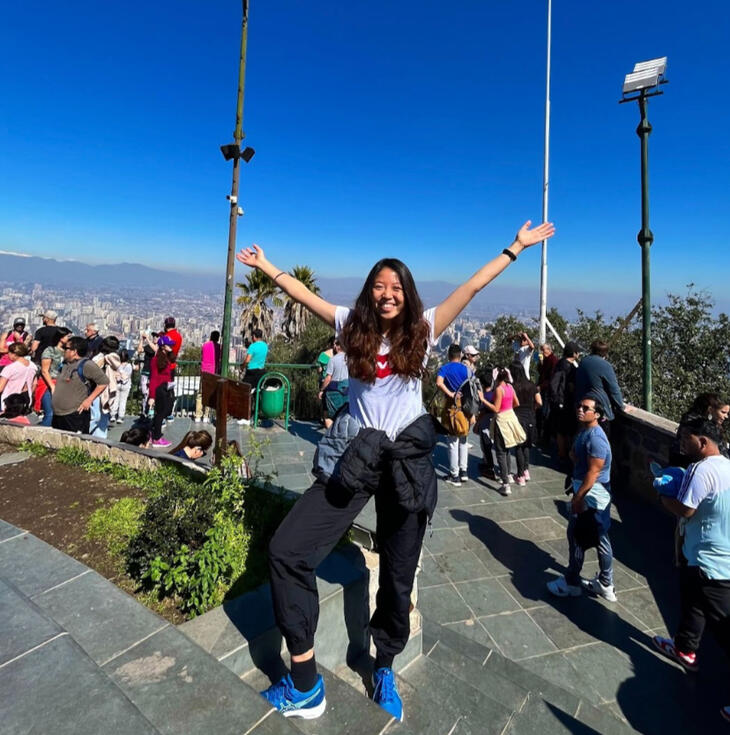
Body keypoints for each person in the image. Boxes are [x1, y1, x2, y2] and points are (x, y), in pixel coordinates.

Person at [235, 217, 555, 721]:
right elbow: (300, 295)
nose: (388, 294)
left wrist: (515, 247)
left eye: (396, 287)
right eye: (380, 286)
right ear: (369, 292)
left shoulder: (424, 330)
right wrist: (266, 265)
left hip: (406, 462)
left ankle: (384, 663)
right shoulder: (349, 324)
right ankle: (304, 682)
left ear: (408, 294)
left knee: (399, 572)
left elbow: (471, 286)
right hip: (358, 457)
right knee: (287, 548)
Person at [651, 416, 730, 724]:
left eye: (685, 439)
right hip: (706, 559)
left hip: (711, 563)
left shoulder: (700, 470)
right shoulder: (727, 466)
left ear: (702, 442)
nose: (681, 444)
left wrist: (662, 496)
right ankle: (685, 650)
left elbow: (686, 509)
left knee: (724, 628)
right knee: (693, 604)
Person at [547, 396, 616, 602]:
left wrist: (578, 498)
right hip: (588, 490)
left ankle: (571, 582)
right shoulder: (585, 432)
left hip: (592, 495)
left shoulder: (596, 438)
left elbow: (594, 473)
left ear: (596, 414)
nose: (580, 409)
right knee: (600, 536)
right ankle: (605, 583)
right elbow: (580, 460)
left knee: (578, 536)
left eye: (586, 408)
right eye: (579, 405)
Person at [51, 336, 109, 434]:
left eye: (66, 348)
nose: (64, 350)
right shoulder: (65, 364)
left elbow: (103, 382)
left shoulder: (87, 365)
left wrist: (89, 400)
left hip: (74, 414)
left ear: (74, 351)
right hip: (58, 414)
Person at [575, 340, 628, 438]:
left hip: (582, 406)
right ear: (605, 353)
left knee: (584, 439)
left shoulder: (583, 362)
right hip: (599, 409)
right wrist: (621, 406)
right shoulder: (605, 365)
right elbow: (614, 389)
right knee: (599, 440)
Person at [436, 344, 471, 486]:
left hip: (452, 407)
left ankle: (454, 474)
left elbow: (439, 383)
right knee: (463, 439)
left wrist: (450, 393)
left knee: (452, 441)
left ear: (449, 355)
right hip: (465, 408)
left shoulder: (445, 368)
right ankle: (464, 471)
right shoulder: (467, 370)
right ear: (460, 355)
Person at [491, 367, 527, 496]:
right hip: (511, 417)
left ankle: (505, 483)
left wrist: (483, 400)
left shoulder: (499, 390)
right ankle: (509, 475)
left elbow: (496, 408)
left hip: (502, 421)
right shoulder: (510, 388)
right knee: (507, 449)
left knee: (500, 452)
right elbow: (516, 403)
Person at [550, 341, 581, 468]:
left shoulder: (559, 364)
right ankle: (565, 454)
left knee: (561, 430)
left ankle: (562, 453)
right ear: (574, 353)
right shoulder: (569, 368)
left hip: (559, 402)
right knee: (566, 430)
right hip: (565, 402)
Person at [511, 360, 542, 484]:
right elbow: (540, 402)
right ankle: (526, 471)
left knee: (519, 446)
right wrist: (533, 408)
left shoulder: (513, 387)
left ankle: (520, 476)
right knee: (527, 445)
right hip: (530, 417)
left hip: (517, 418)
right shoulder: (532, 385)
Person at [39, 327, 72, 427]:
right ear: (61, 338)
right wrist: (52, 386)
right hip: (48, 384)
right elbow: (44, 370)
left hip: (62, 383)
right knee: (50, 413)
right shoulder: (50, 350)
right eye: (68, 337)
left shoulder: (67, 352)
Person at [90, 336, 121, 438]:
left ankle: (96, 437)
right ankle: (93, 435)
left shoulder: (103, 357)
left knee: (100, 416)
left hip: (100, 389)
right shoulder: (105, 358)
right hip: (100, 390)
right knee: (99, 416)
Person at [148, 335, 175, 448]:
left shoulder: (166, 358)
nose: (171, 346)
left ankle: (152, 434)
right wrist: (152, 396)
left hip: (166, 388)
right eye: (169, 344)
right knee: (160, 414)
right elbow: (154, 378)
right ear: (163, 346)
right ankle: (157, 438)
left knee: (164, 412)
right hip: (160, 390)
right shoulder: (156, 360)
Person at [317, 339, 349, 429]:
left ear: (338, 346)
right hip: (348, 390)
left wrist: (321, 390)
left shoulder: (333, 360)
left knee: (328, 416)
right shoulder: (351, 359)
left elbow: (328, 378)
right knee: (345, 416)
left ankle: (333, 436)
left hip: (334, 390)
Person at [0, 343, 36, 413]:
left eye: (9, 353)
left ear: (14, 354)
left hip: (9, 401)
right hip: (26, 400)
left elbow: (0, 387)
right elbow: (34, 384)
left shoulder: (10, 368)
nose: (8, 355)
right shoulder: (33, 366)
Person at [195, 330, 222, 423]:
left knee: (200, 394)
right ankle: (206, 415)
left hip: (204, 372)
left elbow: (202, 356)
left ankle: (198, 415)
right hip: (213, 373)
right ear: (218, 338)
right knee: (209, 394)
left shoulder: (205, 345)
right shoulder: (219, 347)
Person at [536, 342, 557, 444]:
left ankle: (545, 437)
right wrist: (540, 362)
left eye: (544, 350)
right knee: (540, 412)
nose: (542, 352)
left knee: (545, 414)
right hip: (542, 388)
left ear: (549, 350)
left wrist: (541, 386)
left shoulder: (553, 360)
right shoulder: (546, 360)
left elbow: (551, 378)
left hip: (547, 391)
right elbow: (541, 372)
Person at [136, 331, 157, 415]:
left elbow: (155, 350)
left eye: (157, 336)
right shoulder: (148, 347)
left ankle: (151, 411)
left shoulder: (160, 347)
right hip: (146, 371)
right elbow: (139, 350)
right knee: (145, 392)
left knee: (153, 393)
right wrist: (142, 340)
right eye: (154, 336)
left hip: (154, 373)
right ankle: (145, 411)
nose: (155, 338)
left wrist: (148, 339)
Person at [111, 350, 133, 424]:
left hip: (117, 384)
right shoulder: (129, 365)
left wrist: (118, 376)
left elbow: (115, 374)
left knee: (115, 400)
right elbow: (127, 376)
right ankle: (120, 417)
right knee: (123, 401)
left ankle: (113, 415)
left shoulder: (117, 365)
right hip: (126, 385)